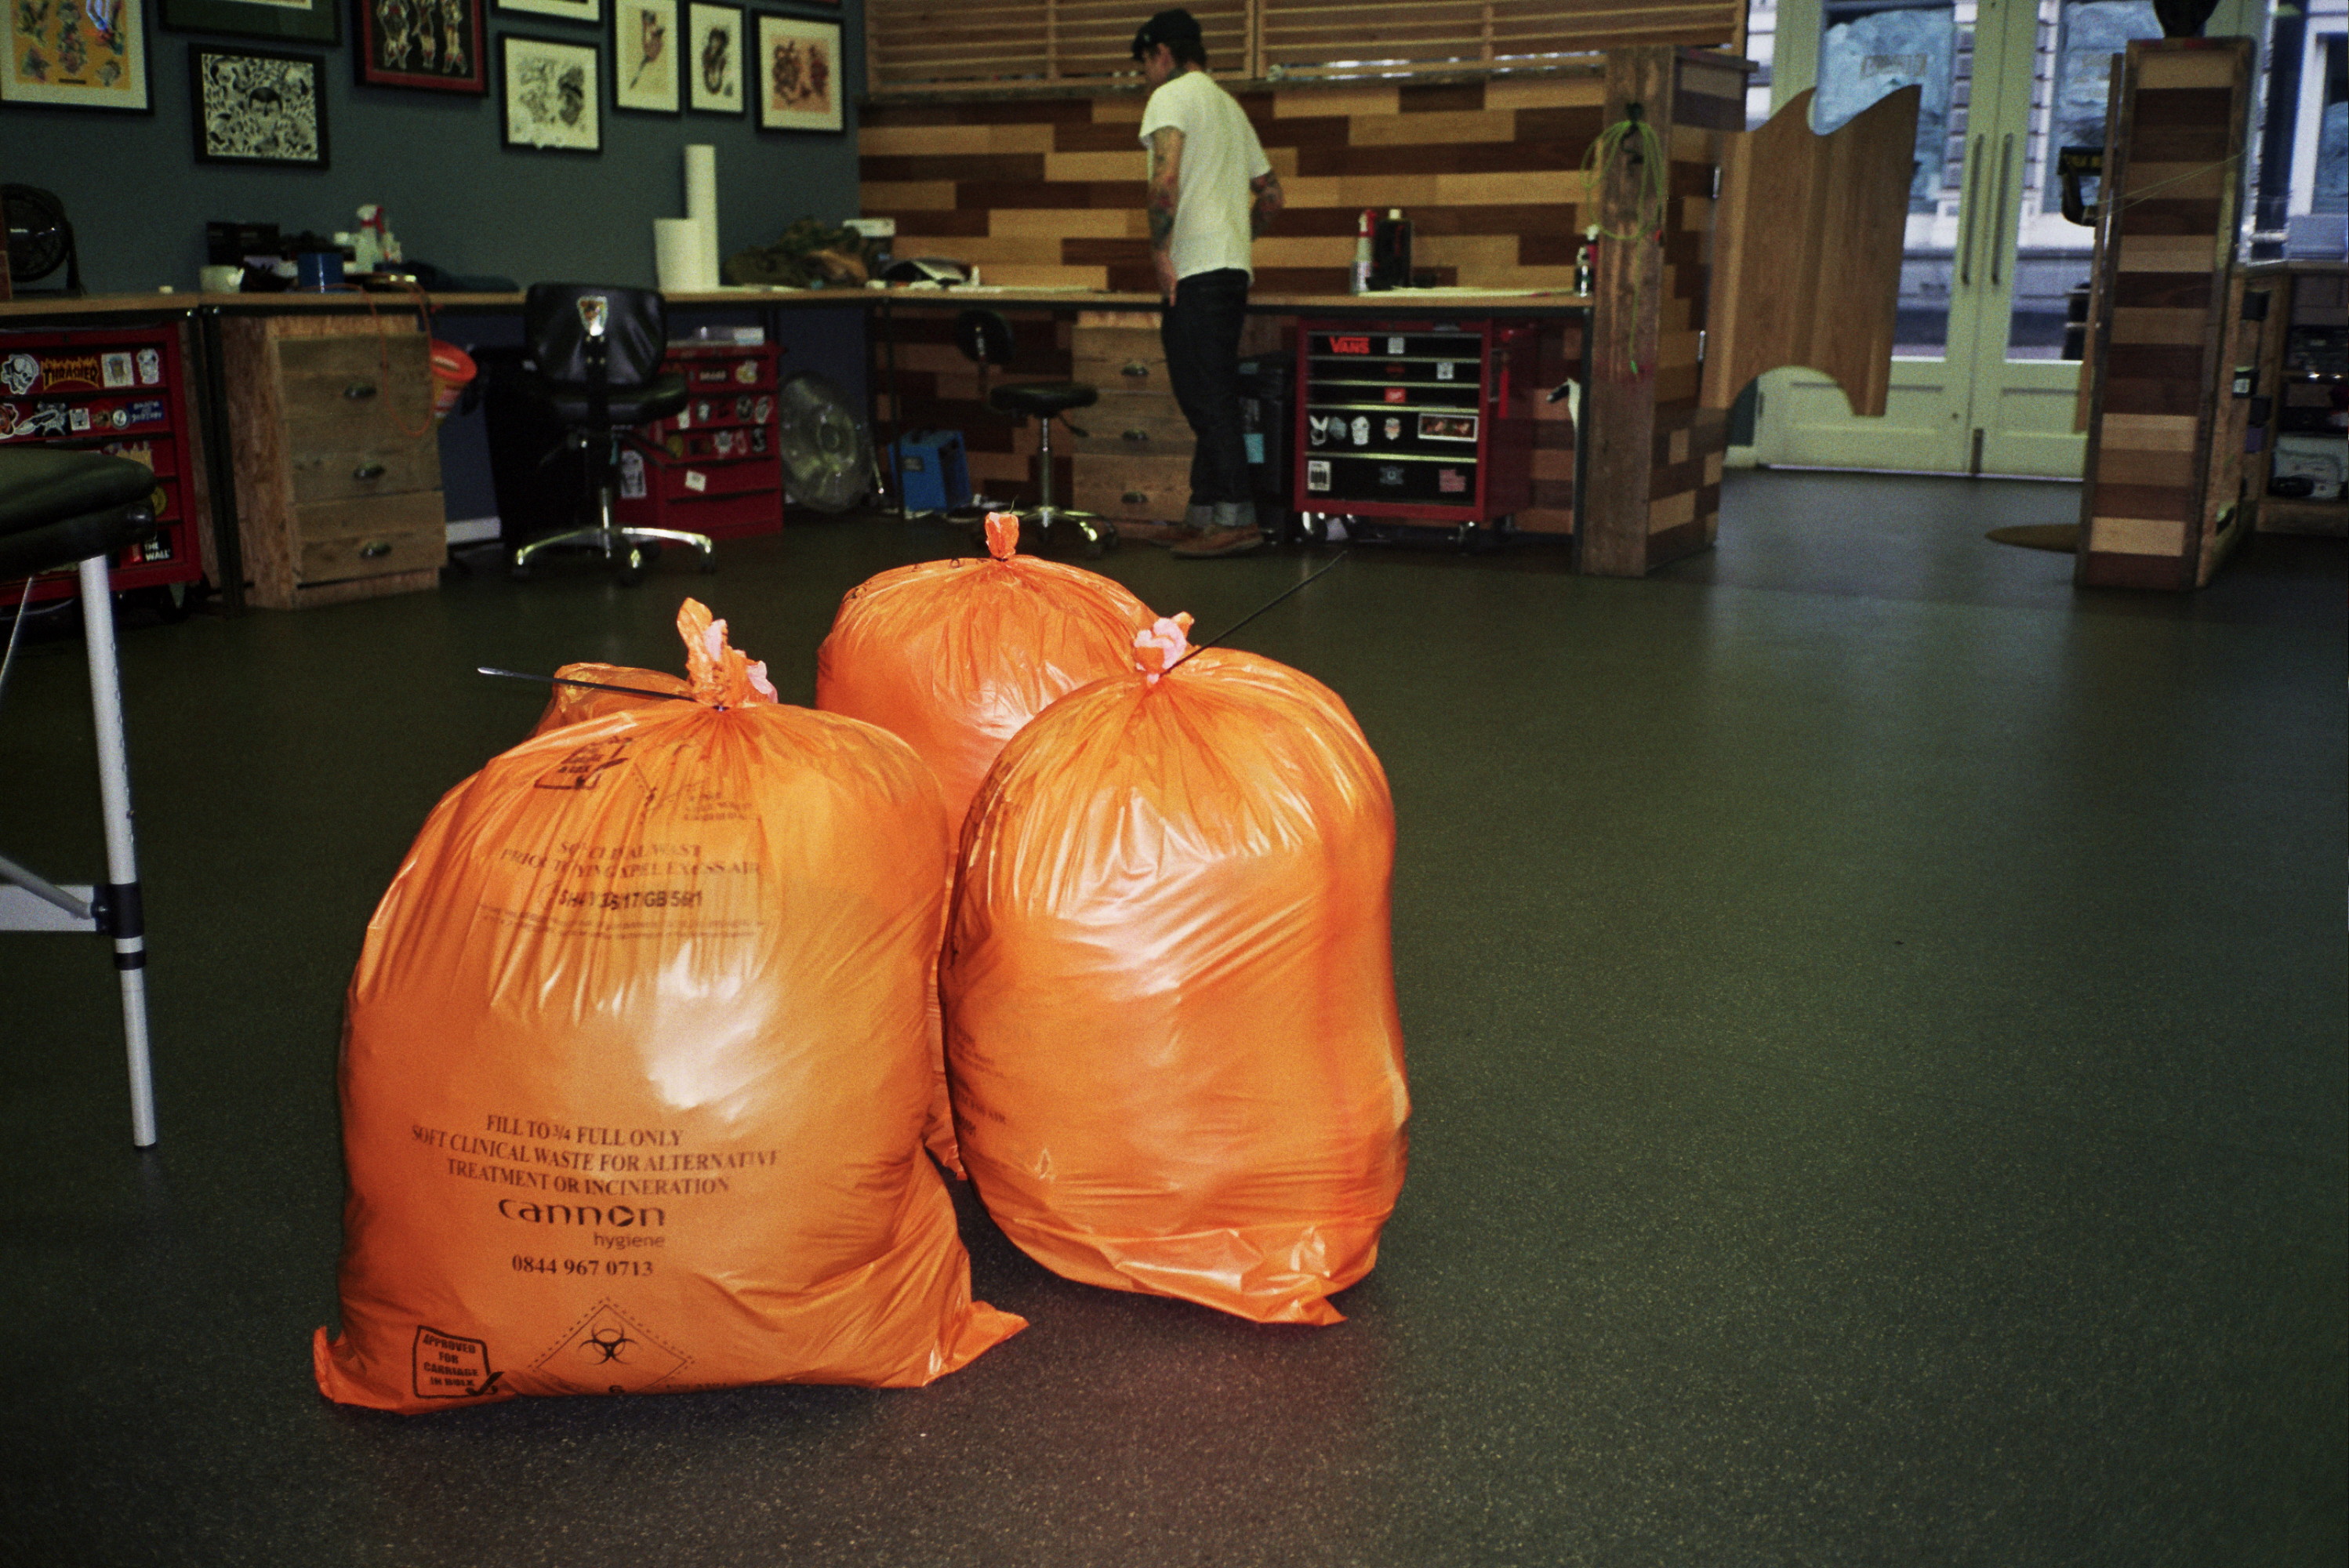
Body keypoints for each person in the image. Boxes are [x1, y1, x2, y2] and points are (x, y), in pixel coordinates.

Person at [1131, 9, 1282, 558]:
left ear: (1162, 54)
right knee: (1206, 393)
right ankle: (1203, 514)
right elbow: (1272, 195)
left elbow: (1164, 181)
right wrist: (1237, 238)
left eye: (1144, 64)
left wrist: (1160, 253)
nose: (1145, 76)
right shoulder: (1228, 107)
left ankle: (1237, 518)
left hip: (1194, 271)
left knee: (1208, 397)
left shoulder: (1171, 97)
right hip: (1228, 268)